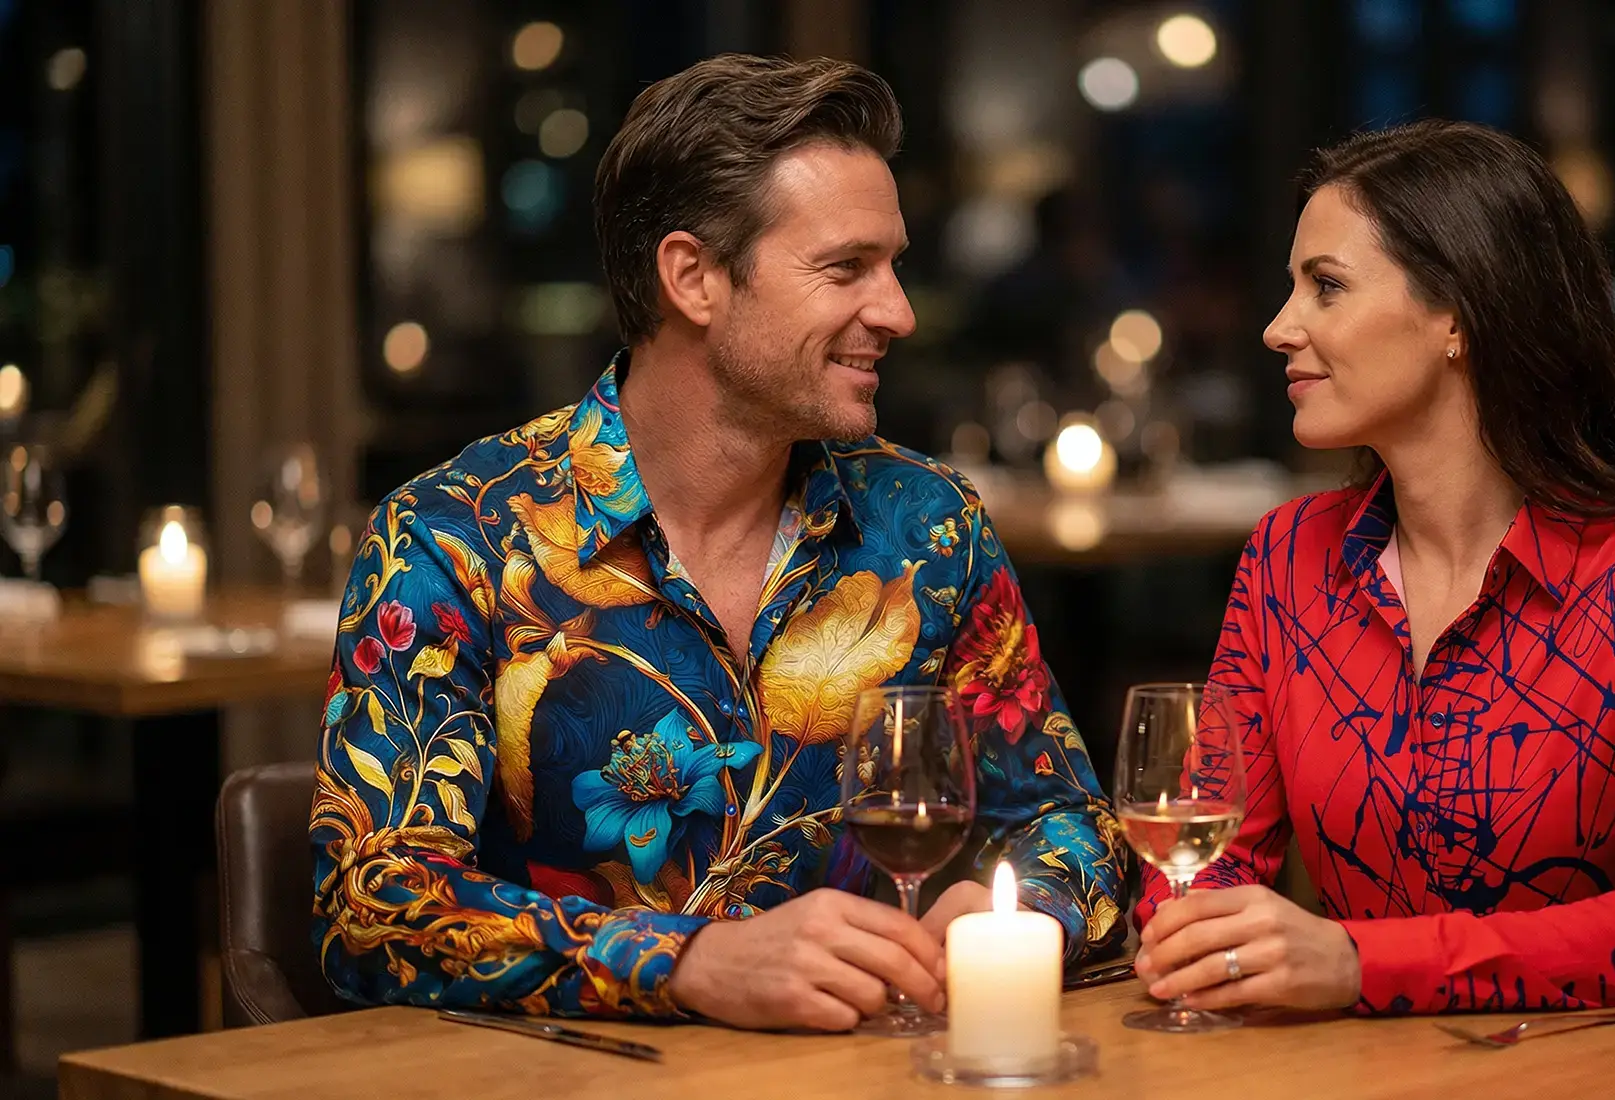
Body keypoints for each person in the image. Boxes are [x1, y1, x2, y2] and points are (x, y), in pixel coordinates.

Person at [311, 54, 1122, 1032]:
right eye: (845, 267)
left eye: (894, 263)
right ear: (691, 277)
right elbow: (371, 904)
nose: (897, 311)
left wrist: (1017, 911)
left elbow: (1070, 822)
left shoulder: (927, 525)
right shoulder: (450, 538)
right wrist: (686, 961)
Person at [1132, 120, 1615, 1016]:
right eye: (1290, 288)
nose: (1278, 328)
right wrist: (1198, 939)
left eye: (1328, 288)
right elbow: (1205, 853)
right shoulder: (1286, 558)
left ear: (1458, 313)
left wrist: (1360, 964)